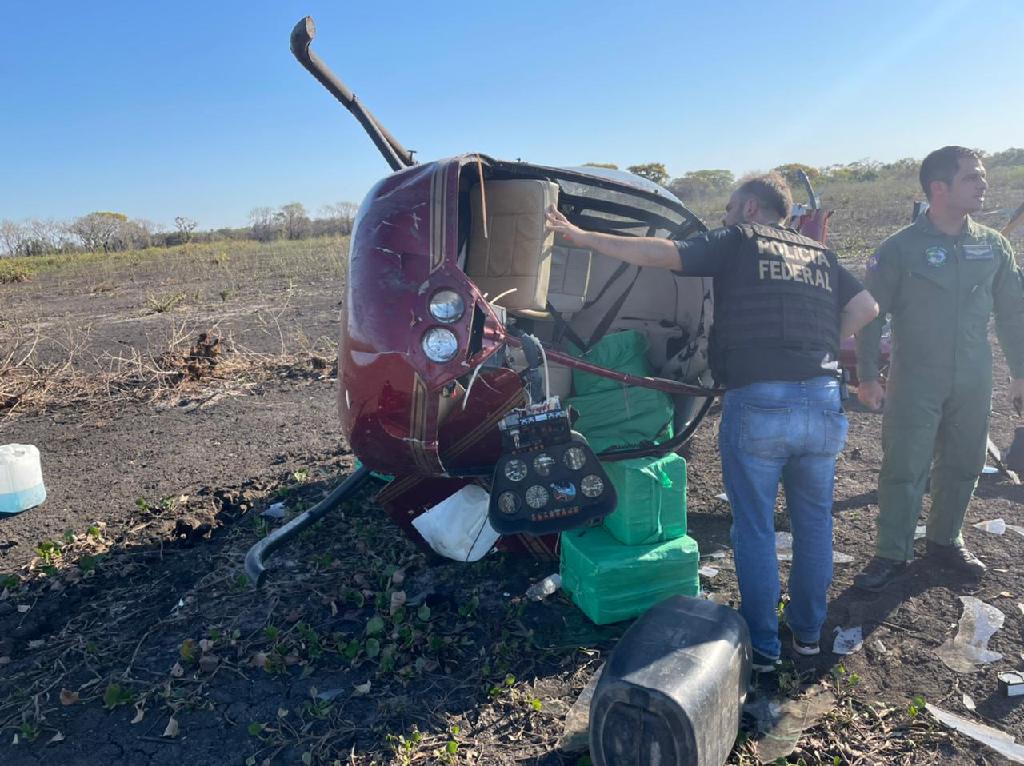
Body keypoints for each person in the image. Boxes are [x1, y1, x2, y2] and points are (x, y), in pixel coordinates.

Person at [547, 173, 878, 671]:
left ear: (749, 209)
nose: (723, 217)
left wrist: (582, 236)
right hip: (822, 398)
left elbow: (664, 255)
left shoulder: (739, 239)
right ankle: (808, 637)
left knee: (755, 528)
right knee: (814, 526)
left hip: (760, 399)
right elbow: (866, 307)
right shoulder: (819, 255)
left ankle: (764, 648)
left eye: (727, 208)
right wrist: (823, 347)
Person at [854, 147, 1024, 591]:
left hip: (973, 377)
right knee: (905, 466)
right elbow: (871, 314)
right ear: (938, 188)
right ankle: (891, 552)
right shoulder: (898, 249)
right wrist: (868, 376)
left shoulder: (992, 245)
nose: (983, 184)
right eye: (972, 177)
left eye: (983, 176)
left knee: (965, 463)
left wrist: (1020, 372)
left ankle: (945, 541)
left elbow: (1013, 313)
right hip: (915, 377)